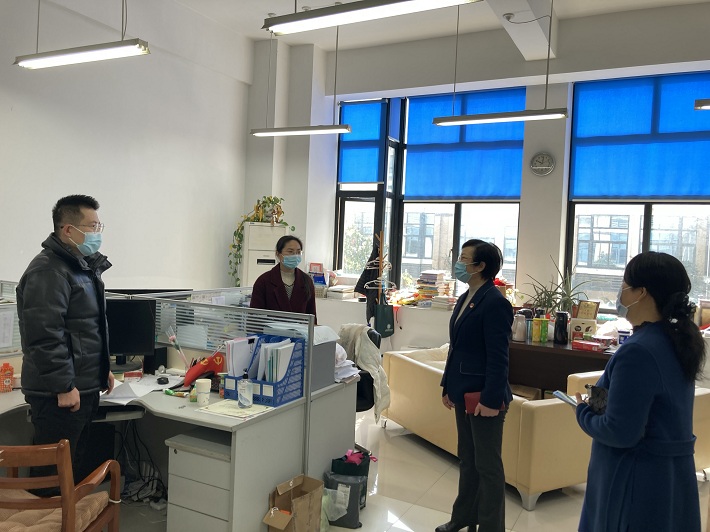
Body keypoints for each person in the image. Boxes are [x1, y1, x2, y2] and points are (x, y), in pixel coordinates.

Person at [574, 251, 706, 532]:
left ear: (641, 292)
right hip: (671, 477)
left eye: (624, 285)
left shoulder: (639, 351)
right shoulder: (678, 341)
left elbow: (620, 432)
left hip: (636, 481)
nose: (620, 293)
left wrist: (583, 412)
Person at [16, 194, 115, 487]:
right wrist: (63, 386)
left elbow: (87, 328)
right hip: (58, 395)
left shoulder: (81, 267)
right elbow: (44, 335)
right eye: (92, 226)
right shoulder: (49, 270)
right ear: (68, 230)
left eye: (99, 226)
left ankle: (68, 515)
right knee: (52, 478)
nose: (97, 233)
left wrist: (102, 369)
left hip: (81, 387)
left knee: (73, 472)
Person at [437, 239, 513, 532]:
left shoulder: (495, 302)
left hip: (485, 397)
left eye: (464, 258)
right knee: (468, 460)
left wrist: (491, 400)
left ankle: (491, 527)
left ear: (480, 266)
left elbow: (499, 357)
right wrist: (448, 386)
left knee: (488, 467)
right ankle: (464, 518)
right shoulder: (465, 297)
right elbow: (456, 348)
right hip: (463, 392)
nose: (458, 263)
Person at [250, 235, 317, 323]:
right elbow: (255, 317)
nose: (295, 255)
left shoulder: (306, 281)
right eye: (290, 251)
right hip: (272, 330)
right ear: (278, 254)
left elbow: (312, 315)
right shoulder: (264, 281)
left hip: (300, 331)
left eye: (298, 252)